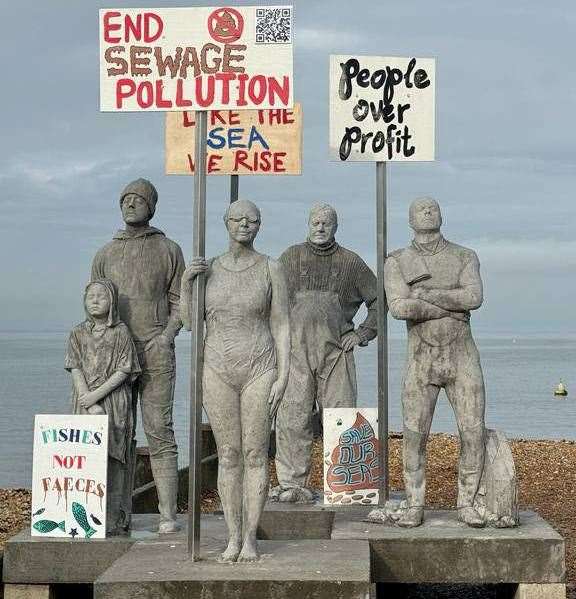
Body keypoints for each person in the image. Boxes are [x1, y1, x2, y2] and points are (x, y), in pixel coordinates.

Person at [180, 199, 290, 562]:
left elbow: (281, 324)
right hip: (217, 367)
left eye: (252, 220)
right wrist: (185, 283)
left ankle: (251, 539)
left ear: (260, 226)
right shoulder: (208, 269)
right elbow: (192, 322)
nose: (245, 225)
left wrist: (284, 373)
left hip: (260, 366)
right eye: (238, 219)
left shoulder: (271, 267)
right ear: (225, 223)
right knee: (228, 454)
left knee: (256, 453)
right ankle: (231, 537)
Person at [384, 197, 486, 528]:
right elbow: (400, 308)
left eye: (433, 207)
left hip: (462, 355)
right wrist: (452, 305)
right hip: (420, 358)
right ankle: (414, 503)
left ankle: (467, 502)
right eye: (421, 208)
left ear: (442, 214)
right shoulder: (398, 261)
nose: (428, 211)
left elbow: (474, 298)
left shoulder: (464, 255)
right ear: (410, 219)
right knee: (415, 436)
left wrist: (427, 295)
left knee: (472, 432)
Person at [91, 178, 185, 534]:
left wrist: (166, 336)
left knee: (160, 430)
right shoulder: (105, 253)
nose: (130, 204)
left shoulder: (169, 249)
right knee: (116, 432)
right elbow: (94, 306)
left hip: (155, 351)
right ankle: (115, 513)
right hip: (114, 356)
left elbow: (181, 303)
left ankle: (168, 516)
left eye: (138, 199)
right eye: (125, 199)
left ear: (152, 206)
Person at [271, 203, 378, 503]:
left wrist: (362, 333)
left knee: (341, 416)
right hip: (295, 353)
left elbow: (379, 301)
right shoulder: (290, 258)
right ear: (308, 224)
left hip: (336, 353)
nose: (320, 227)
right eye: (315, 222)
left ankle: (347, 487)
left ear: (335, 227)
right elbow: (271, 302)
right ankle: (292, 484)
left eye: (326, 223)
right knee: (292, 418)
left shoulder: (352, 263)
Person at [65, 279, 141, 535]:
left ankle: (113, 519)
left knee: (114, 458)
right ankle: (82, 519)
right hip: (83, 402)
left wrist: (97, 396)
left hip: (114, 402)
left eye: (102, 296)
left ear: (112, 303)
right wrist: (87, 398)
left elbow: (124, 369)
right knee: (82, 459)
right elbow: (75, 367)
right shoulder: (77, 333)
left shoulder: (121, 332)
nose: (95, 300)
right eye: (91, 296)